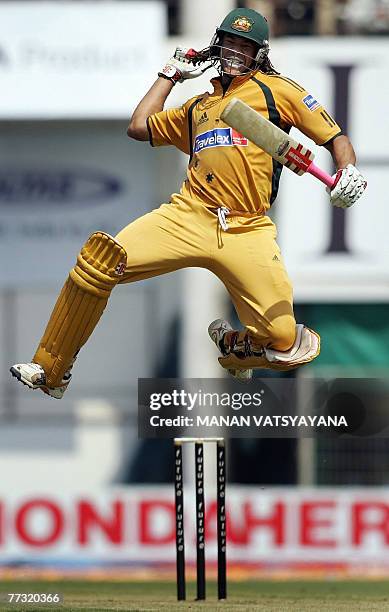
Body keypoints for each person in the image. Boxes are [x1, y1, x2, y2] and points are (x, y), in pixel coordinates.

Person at [10, 7, 367, 396]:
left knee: (286, 341)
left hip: (247, 228)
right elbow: (139, 127)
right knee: (100, 261)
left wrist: (346, 170)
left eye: (244, 46)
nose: (234, 52)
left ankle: (236, 349)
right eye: (229, 42)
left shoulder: (279, 90)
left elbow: (335, 139)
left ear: (259, 53)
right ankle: (51, 369)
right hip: (188, 215)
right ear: (217, 43)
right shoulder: (198, 106)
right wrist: (170, 75)